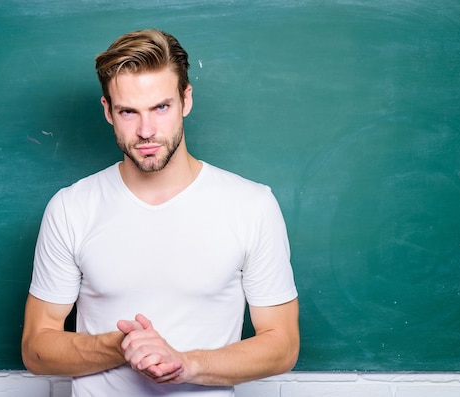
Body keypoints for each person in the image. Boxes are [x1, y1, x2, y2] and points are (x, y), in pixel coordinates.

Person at [21, 29, 299, 396]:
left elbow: (282, 346)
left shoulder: (252, 205)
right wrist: (120, 346)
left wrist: (187, 363)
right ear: (108, 111)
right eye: (128, 112)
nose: (146, 131)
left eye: (160, 107)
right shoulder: (71, 208)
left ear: (186, 100)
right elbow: (36, 349)